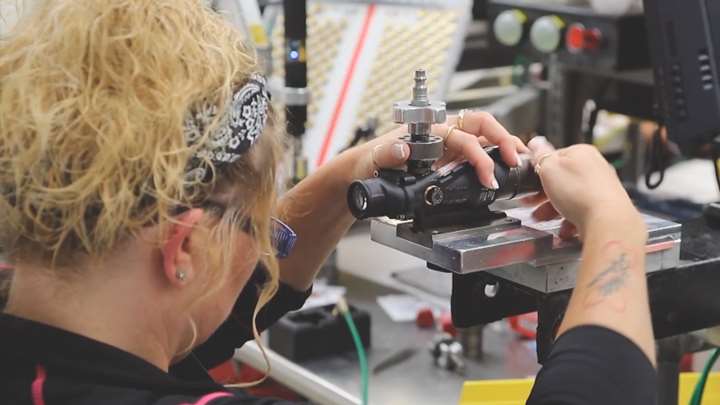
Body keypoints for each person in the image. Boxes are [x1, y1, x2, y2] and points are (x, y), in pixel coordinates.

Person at [0, 1, 656, 405]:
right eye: (257, 226)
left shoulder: (44, 313)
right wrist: (615, 226)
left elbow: (193, 306)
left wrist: (352, 174)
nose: (269, 244)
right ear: (185, 248)